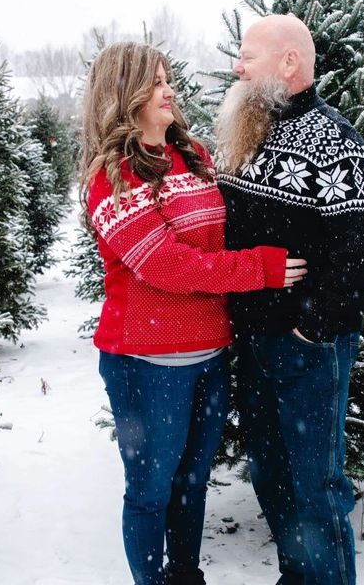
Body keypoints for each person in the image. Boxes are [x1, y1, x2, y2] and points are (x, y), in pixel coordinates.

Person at [79, 42, 307, 585]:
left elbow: (224, 230)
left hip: (210, 352)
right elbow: (166, 265)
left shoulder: (194, 156)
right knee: (152, 489)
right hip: (147, 360)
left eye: (167, 78)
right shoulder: (111, 177)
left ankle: (185, 575)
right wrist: (260, 269)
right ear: (126, 92)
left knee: (193, 480)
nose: (169, 89)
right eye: (156, 82)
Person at [216, 15, 364, 585]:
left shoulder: (336, 143)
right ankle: (298, 575)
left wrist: (312, 326)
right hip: (255, 344)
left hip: (306, 351)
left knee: (316, 485)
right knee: (269, 471)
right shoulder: (250, 131)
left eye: (249, 56)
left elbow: (360, 259)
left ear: (289, 63)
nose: (237, 66)